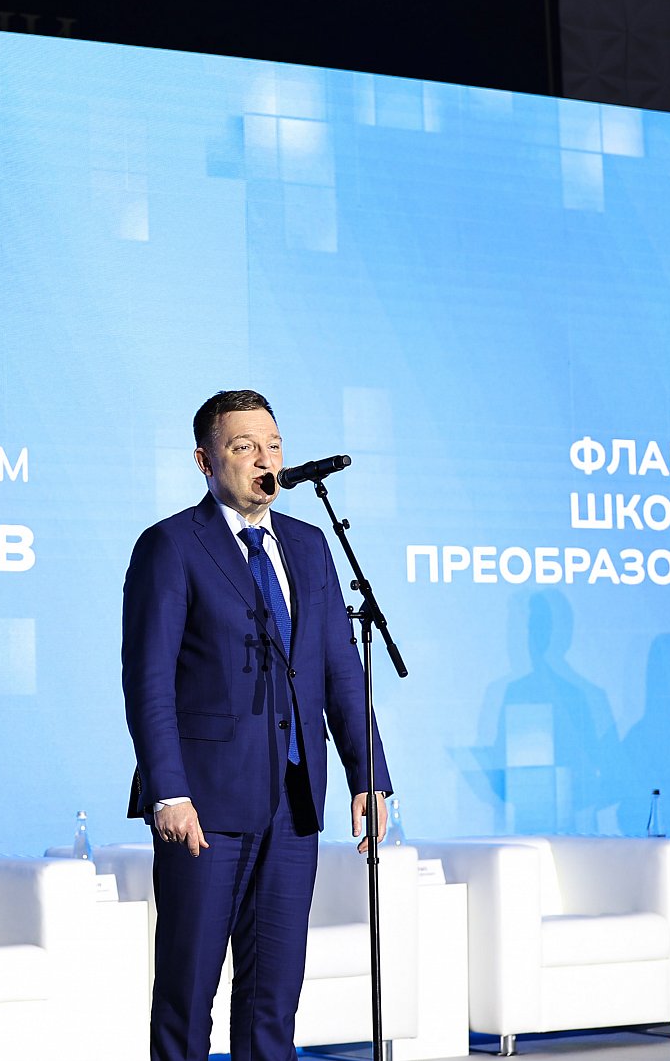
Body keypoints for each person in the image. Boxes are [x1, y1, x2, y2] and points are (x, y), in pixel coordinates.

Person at [123, 389, 392, 1061]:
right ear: (205, 460)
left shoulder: (308, 545)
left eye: (273, 446)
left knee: (273, 998)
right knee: (188, 992)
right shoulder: (171, 546)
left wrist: (368, 775)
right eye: (244, 447)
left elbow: (338, 668)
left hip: (293, 803)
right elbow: (148, 680)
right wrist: (168, 791)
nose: (265, 459)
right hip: (205, 806)